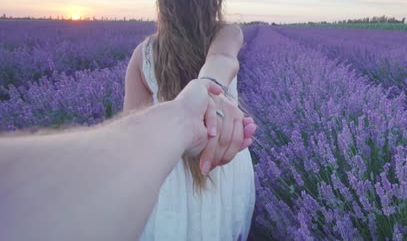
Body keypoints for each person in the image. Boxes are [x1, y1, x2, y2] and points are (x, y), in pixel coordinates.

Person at [0, 78, 256, 241]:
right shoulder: (227, 33)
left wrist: (182, 113)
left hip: (161, 161)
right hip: (217, 158)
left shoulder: (144, 52)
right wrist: (205, 89)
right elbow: (220, 61)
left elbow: (129, 114)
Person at [123, 0, 256, 240]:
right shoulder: (228, 33)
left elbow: (131, 128)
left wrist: (205, 86)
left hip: (169, 168)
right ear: (213, 0)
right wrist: (212, 89)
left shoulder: (144, 53)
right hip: (223, 160)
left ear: (164, 2)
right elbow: (223, 57)